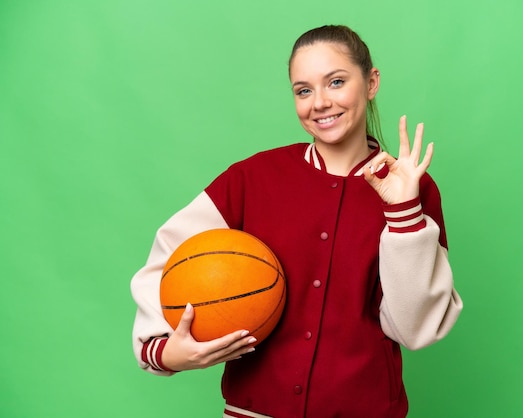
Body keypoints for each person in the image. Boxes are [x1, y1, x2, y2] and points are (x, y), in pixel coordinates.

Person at [131, 24, 463, 418]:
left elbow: (414, 329)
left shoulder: (413, 189)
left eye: (336, 82)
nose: (319, 103)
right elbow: (170, 258)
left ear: (371, 82)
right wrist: (166, 352)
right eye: (303, 90)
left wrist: (403, 213)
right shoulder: (252, 178)